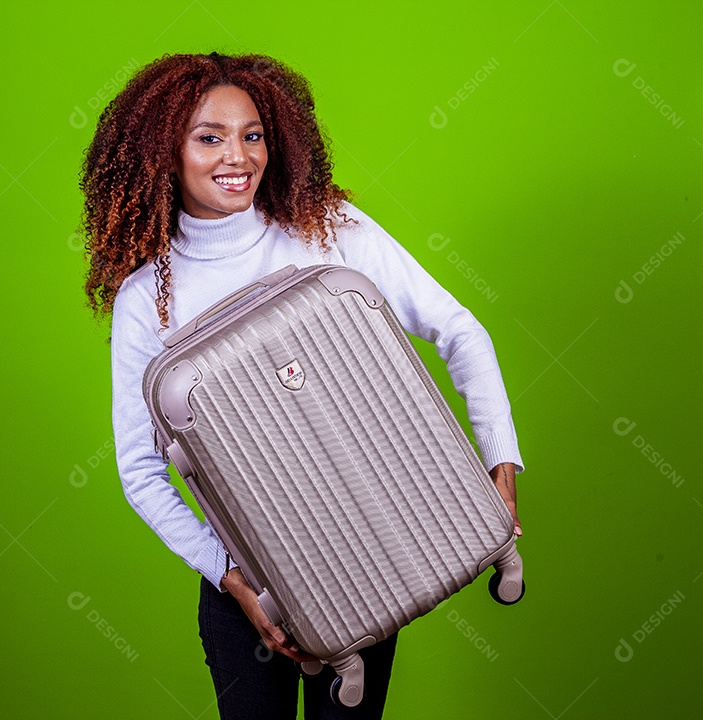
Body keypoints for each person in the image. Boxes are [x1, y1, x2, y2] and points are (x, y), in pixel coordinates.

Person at [78, 51, 524, 719]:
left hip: (372, 559)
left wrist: (501, 466)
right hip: (246, 592)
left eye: (253, 134)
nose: (239, 155)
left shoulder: (329, 232)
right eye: (209, 137)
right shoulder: (149, 297)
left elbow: (460, 331)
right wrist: (234, 580)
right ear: (163, 152)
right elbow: (141, 470)